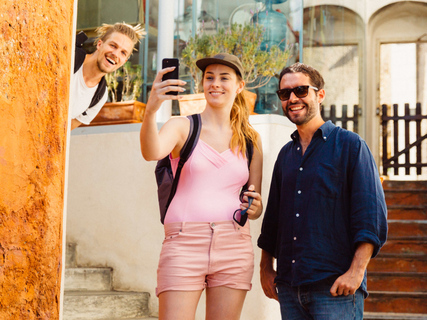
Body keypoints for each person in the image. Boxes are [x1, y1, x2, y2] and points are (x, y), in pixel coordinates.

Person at [257, 62, 387, 319]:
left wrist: (356, 272)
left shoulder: (351, 146)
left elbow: (370, 215)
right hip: (289, 288)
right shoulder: (286, 155)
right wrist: (265, 268)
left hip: (336, 288)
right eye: (285, 93)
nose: (293, 98)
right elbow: (273, 219)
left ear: (320, 94)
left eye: (301, 90)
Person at [140, 53, 263, 320]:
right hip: (183, 244)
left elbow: (255, 202)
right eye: (209, 78)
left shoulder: (251, 139)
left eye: (224, 78)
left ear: (240, 86)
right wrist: (151, 109)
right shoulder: (182, 127)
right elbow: (151, 152)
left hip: (234, 244)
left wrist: (255, 207)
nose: (215, 84)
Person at [70, 22, 145, 130]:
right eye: (113, 46)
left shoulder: (100, 96)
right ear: (100, 44)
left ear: (124, 61)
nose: (115, 54)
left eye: (123, 53)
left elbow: (64, 131)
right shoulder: (70, 58)